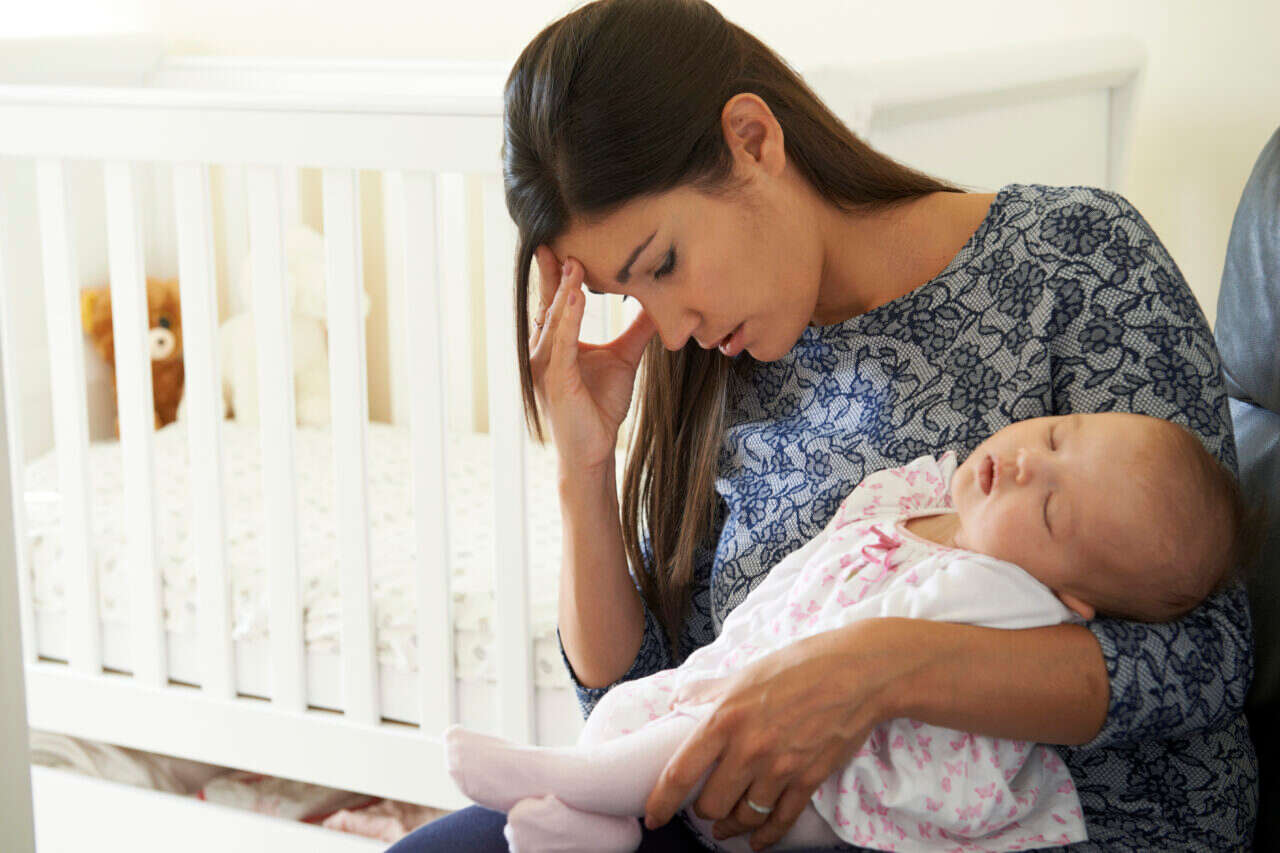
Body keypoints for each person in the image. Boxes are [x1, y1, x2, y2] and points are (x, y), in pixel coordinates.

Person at [387, 1, 1257, 850]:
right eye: (630, 291)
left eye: (665, 263)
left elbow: (1207, 655)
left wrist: (874, 669)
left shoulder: (1075, 256)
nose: (671, 326)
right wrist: (584, 467)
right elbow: (645, 704)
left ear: (753, 140)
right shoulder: (719, 364)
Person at [441, 412, 1249, 852]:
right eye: (1056, 434)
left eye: (1051, 509)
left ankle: (573, 781)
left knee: (699, 731)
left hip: (826, 786)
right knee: (632, 705)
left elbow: (1215, 657)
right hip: (744, 686)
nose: (1029, 464)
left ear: (1072, 595)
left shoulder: (1012, 595)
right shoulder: (923, 493)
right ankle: (592, 826)